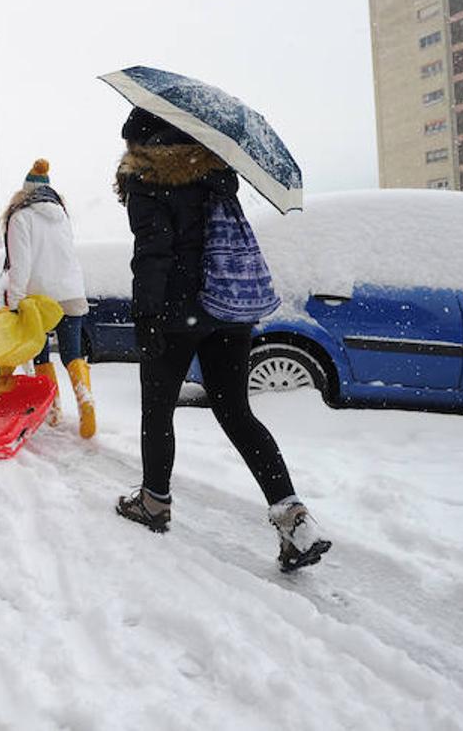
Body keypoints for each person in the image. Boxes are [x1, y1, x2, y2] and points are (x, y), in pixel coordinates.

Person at [112, 107, 331, 572]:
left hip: (176, 314)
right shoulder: (215, 175)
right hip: (229, 309)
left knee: (157, 409)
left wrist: (146, 316)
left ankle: (154, 502)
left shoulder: (147, 182)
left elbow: (153, 254)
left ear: (141, 143)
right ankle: (292, 515)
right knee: (236, 412)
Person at [0, 159, 95, 437]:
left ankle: (52, 409)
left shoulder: (20, 217)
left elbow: (21, 265)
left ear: (24, 191)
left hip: (39, 299)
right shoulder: (61, 215)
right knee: (72, 354)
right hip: (71, 291)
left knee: (40, 354)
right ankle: (86, 400)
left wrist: (15, 302)